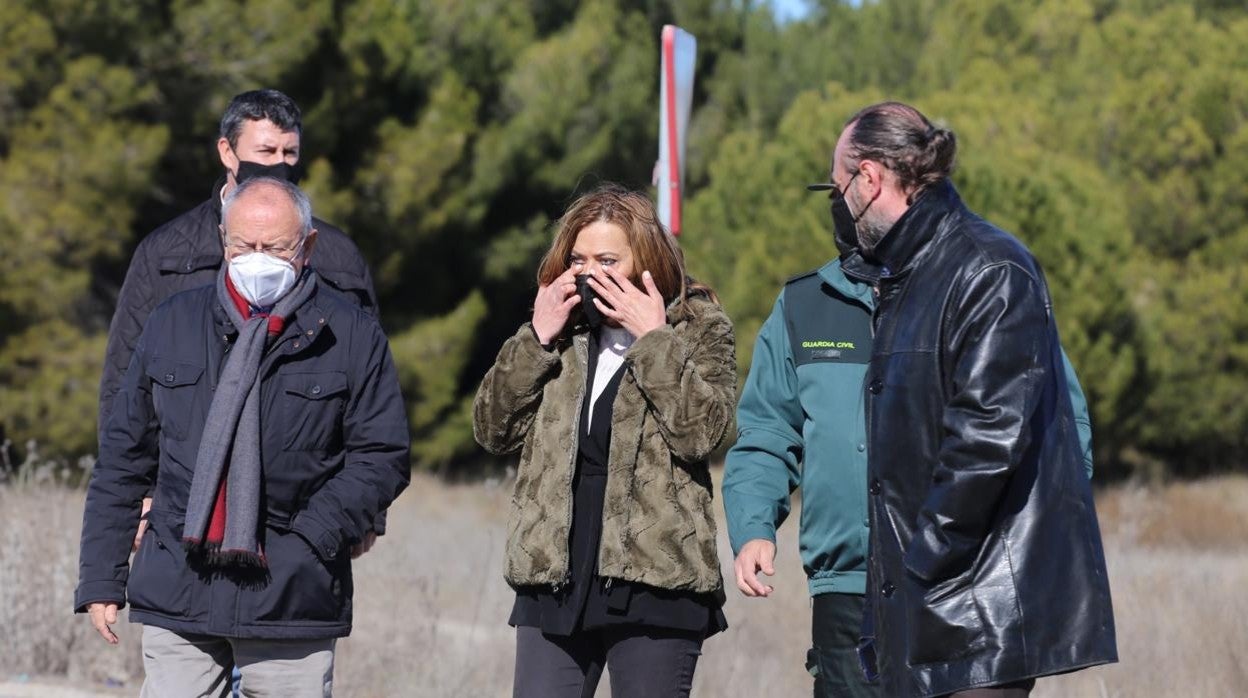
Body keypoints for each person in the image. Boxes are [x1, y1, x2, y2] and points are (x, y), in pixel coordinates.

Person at [721, 202, 1096, 697]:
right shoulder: (805, 303)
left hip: (972, 584)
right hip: (849, 589)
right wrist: (753, 527)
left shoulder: (982, 288)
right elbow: (768, 433)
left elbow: (1060, 426)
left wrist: (1018, 529)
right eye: (845, 182)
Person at [823, 101, 1116, 697]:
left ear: (871, 177)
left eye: (837, 186)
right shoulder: (901, 277)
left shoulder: (989, 267)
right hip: (924, 603)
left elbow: (987, 438)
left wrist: (919, 561)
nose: (836, 205)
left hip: (983, 613)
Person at [75, 178, 411, 697]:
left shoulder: (352, 335)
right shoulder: (171, 323)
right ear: (222, 240)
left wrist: (315, 535)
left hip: (291, 596)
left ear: (309, 246)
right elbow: (124, 458)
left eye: (275, 247)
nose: (257, 260)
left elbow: (382, 456)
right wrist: (102, 576)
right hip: (178, 586)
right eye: (243, 246)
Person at [473, 184, 736, 698]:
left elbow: (702, 434)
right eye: (578, 258)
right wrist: (536, 338)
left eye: (607, 258)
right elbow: (491, 430)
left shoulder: (697, 327)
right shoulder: (558, 330)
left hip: (656, 579)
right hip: (553, 576)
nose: (589, 271)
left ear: (646, 260)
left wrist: (653, 338)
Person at [98, 89, 382, 558]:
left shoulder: (337, 257)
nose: (280, 165)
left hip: (300, 511)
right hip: (179, 501)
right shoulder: (167, 252)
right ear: (227, 151)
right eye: (265, 152)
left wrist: (365, 514)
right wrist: (136, 496)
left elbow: (369, 393)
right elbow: (123, 382)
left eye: (290, 153)